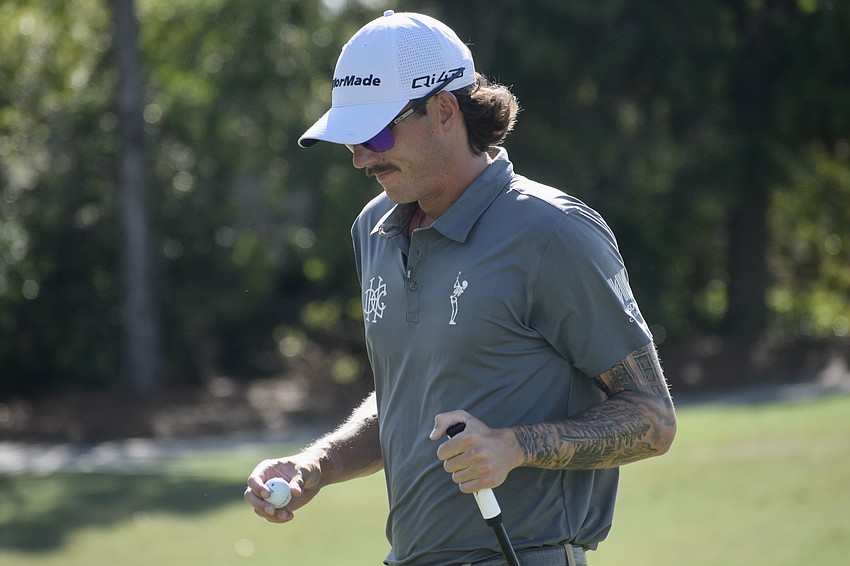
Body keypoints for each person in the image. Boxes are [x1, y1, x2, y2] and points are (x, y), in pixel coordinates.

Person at [245, 10, 677, 566]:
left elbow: (652, 420)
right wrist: (316, 465)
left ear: (444, 110)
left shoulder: (553, 232)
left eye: (375, 132)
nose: (359, 158)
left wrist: (513, 447)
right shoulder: (373, 230)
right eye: (350, 138)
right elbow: (411, 400)